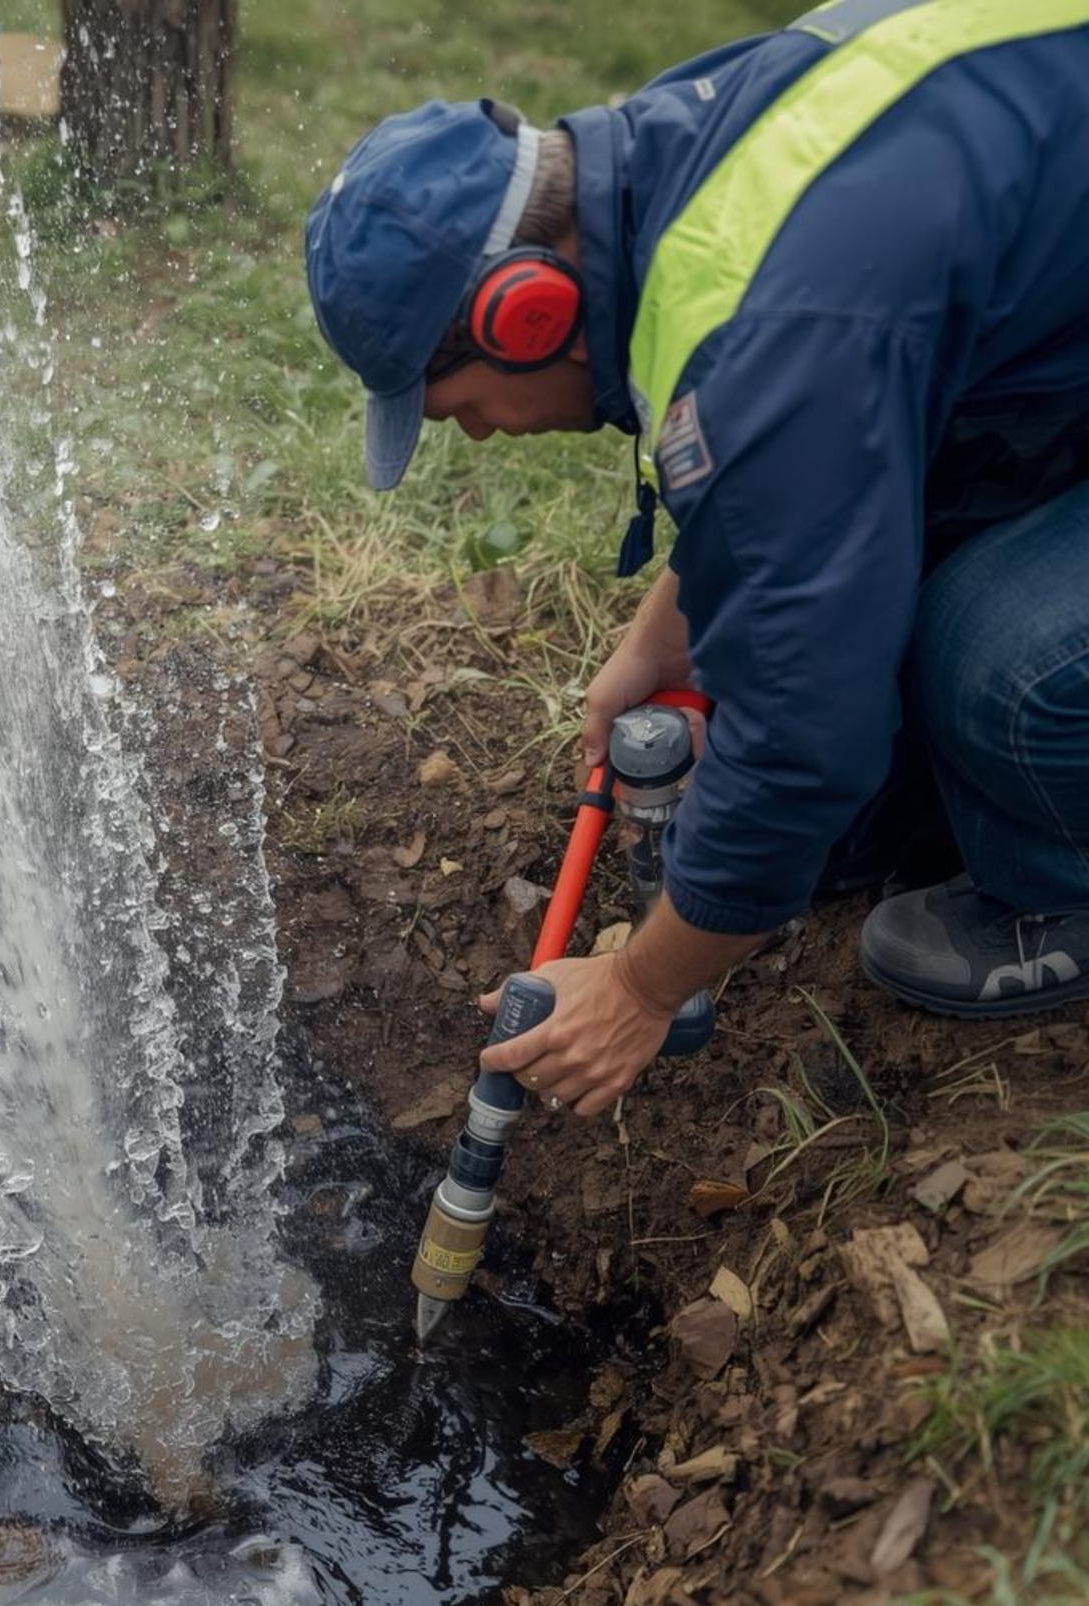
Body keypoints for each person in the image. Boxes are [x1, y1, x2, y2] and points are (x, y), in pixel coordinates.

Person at [303, 0, 1089, 1120]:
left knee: (992, 668)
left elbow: (808, 741)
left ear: (525, 313)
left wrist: (638, 985)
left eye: (455, 406)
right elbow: (813, 455)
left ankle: (1058, 893)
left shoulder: (775, 324)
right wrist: (662, 630)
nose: (476, 435)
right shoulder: (688, 166)